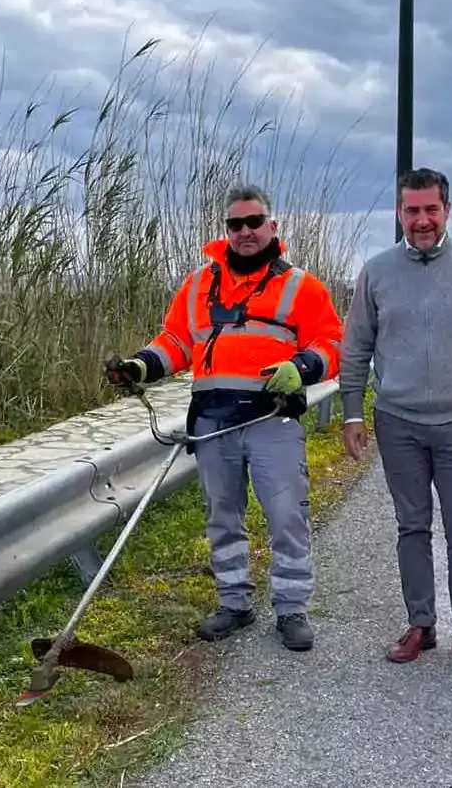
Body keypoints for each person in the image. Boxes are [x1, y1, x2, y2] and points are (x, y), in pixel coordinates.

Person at [103, 183, 343, 652]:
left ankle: (291, 608)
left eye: (254, 222)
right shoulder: (198, 285)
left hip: (272, 419)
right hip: (214, 422)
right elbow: (175, 342)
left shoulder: (302, 286)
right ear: (226, 230)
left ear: (272, 226)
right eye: (236, 224)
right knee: (223, 517)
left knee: (286, 515)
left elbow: (332, 344)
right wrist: (139, 367)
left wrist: (301, 368)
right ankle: (234, 602)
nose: (245, 231)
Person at [337, 167, 452, 677]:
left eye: (430, 210)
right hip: (398, 422)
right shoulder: (376, 272)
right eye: (411, 210)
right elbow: (355, 347)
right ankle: (420, 624)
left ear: (447, 210)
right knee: (412, 527)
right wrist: (352, 412)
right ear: (399, 213)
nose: (421, 220)